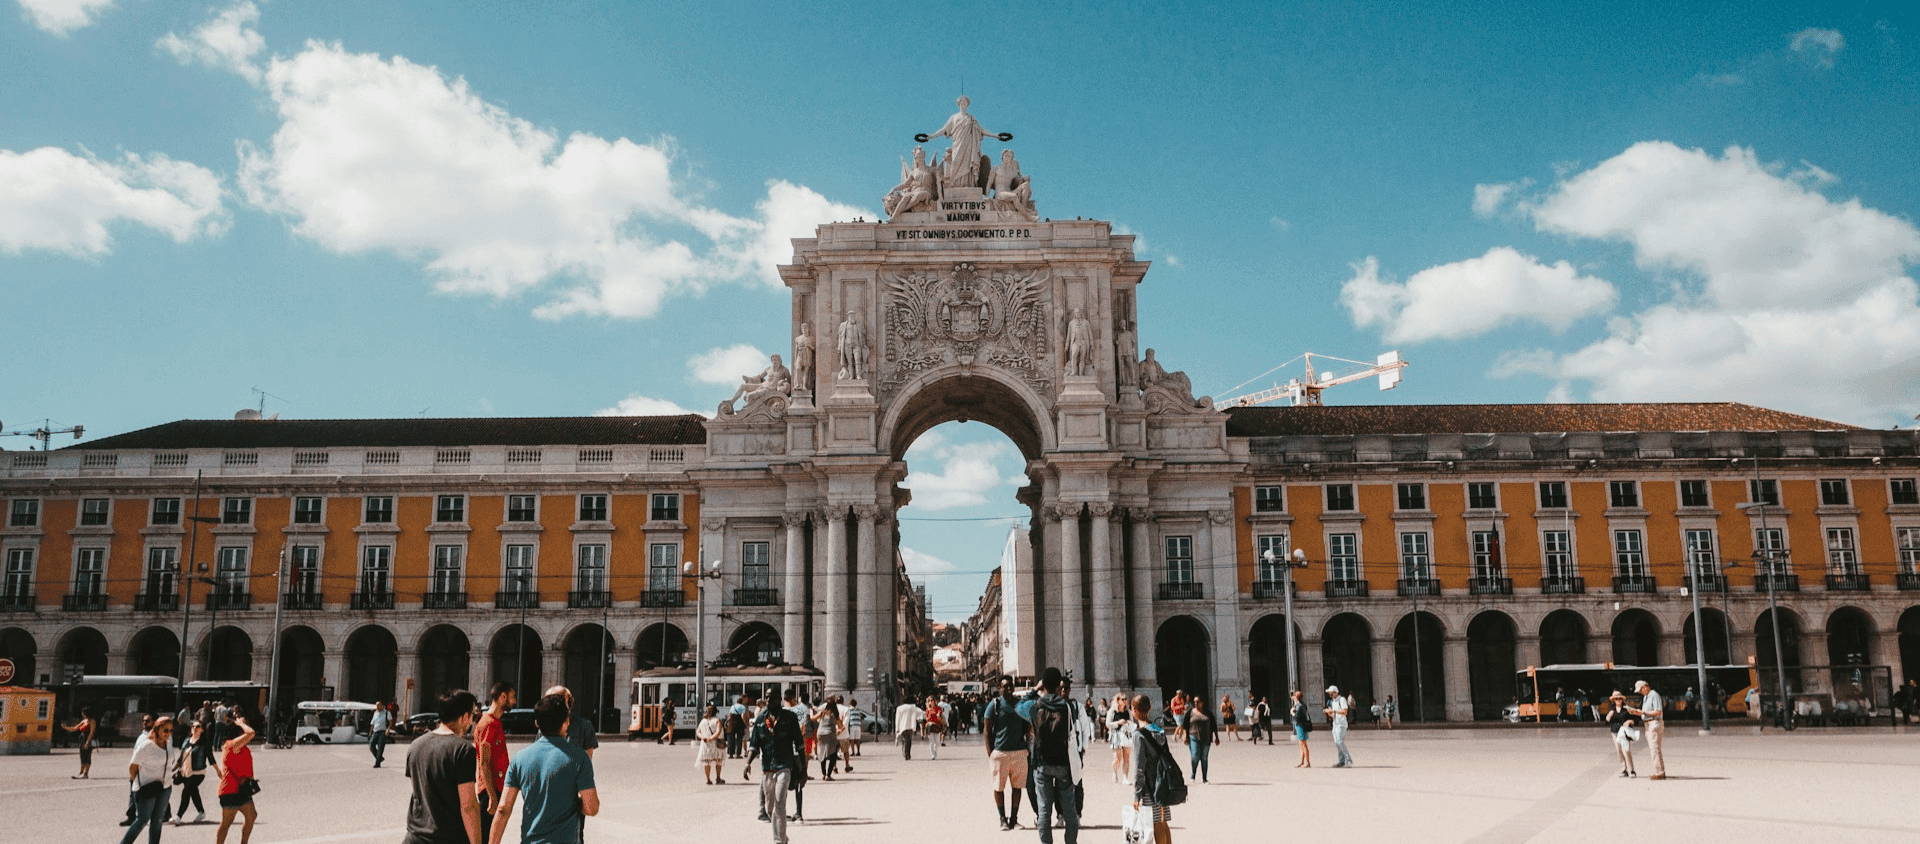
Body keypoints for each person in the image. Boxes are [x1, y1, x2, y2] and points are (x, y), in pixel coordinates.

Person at [487, 693, 598, 844]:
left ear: (537, 724)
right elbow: (592, 808)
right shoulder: (579, 758)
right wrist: (576, 805)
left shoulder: (519, 759)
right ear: (566, 722)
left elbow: (503, 809)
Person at [403, 690, 482, 844]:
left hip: (414, 837)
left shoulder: (415, 745)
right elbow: (469, 806)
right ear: (464, 717)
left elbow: (417, 789)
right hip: (448, 838)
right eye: (473, 715)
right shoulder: (463, 750)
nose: (472, 721)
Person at [1017, 668, 1078, 844]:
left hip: (1041, 763)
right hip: (1064, 762)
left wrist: (1035, 689)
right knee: (1069, 809)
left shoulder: (1034, 706)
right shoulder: (1068, 706)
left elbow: (1018, 706)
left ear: (1043, 684)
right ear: (1059, 685)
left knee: (1044, 810)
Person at [750, 688, 803, 843]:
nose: (768, 700)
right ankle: (783, 836)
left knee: (780, 803)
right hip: (767, 768)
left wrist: (804, 768)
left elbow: (799, 744)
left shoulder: (790, 718)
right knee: (770, 808)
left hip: (784, 767)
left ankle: (778, 840)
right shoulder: (761, 719)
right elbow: (754, 744)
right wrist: (747, 763)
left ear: (779, 699)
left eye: (771, 697)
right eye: (766, 697)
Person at [982, 675, 1029, 830]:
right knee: (998, 787)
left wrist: (1027, 747)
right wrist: (991, 753)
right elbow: (987, 731)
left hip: (1019, 752)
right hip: (1000, 753)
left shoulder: (1020, 704)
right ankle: (1002, 818)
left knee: (1017, 787)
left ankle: (1014, 819)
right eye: (1005, 686)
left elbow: (1027, 726)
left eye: (1011, 685)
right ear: (999, 687)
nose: (1009, 688)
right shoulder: (994, 705)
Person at [120, 716, 175, 844]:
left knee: (158, 821)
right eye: (165, 730)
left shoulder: (168, 744)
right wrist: (137, 783)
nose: (168, 733)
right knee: (142, 820)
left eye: (171, 730)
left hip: (165, 787)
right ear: (157, 729)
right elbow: (133, 766)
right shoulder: (147, 745)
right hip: (147, 787)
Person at [924, 96, 999, 189]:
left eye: (965, 103)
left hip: (969, 146)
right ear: (959, 104)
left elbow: (982, 130)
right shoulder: (954, 117)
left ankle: (968, 184)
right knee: (955, 162)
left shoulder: (971, 118)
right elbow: (944, 130)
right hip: (957, 145)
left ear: (967, 105)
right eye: (961, 103)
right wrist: (932, 136)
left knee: (968, 165)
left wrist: (995, 135)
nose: (963, 105)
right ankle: (955, 185)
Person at [1129, 694, 1173, 844]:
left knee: (1155, 824)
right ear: (1150, 708)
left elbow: (1139, 767)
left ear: (1134, 710)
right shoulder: (1158, 730)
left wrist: (1137, 794)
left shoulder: (1138, 734)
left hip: (1150, 786)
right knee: (1162, 822)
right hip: (1163, 782)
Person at [474, 682, 515, 844]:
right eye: (512, 697)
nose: (514, 701)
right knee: (486, 837)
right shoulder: (488, 724)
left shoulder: (495, 722)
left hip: (496, 787)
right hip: (490, 789)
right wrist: (492, 796)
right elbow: (484, 763)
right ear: (503, 696)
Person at [215, 708, 257, 844]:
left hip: (242, 789)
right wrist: (241, 723)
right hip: (230, 790)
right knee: (227, 822)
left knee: (251, 816)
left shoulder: (241, 747)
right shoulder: (232, 745)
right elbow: (251, 733)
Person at [172, 720, 213, 826]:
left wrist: (218, 771)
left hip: (198, 773)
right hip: (186, 772)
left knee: (186, 792)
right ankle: (201, 812)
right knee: (193, 792)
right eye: (193, 726)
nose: (194, 728)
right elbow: (181, 758)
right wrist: (172, 770)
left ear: (202, 729)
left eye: (198, 726)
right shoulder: (186, 740)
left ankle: (178, 816)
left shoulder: (205, 742)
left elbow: (211, 758)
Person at [1629, 680, 1666, 780]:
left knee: (1654, 749)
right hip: (1648, 724)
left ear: (1645, 687)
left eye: (1640, 690)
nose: (1640, 693)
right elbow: (1646, 712)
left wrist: (1643, 712)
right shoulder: (1646, 697)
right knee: (1654, 749)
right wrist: (1637, 713)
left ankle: (1659, 772)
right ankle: (1659, 770)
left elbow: (1658, 712)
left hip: (1654, 723)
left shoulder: (1654, 695)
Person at [1606, 691, 1641, 777]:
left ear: (1622, 699)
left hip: (1625, 733)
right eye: (1616, 699)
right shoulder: (1612, 710)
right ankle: (1623, 770)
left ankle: (1632, 770)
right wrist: (1608, 717)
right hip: (1615, 733)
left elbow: (1637, 719)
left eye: (1619, 698)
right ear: (1613, 700)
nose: (1618, 700)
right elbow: (1606, 723)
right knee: (1619, 751)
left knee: (1626, 751)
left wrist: (1630, 721)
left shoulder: (1627, 709)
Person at [1105, 692, 1134, 783]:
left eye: (1125, 699)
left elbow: (1132, 722)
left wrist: (1128, 723)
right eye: (1122, 699)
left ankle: (1125, 777)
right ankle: (1115, 772)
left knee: (1126, 757)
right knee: (1117, 758)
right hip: (1116, 736)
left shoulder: (1128, 711)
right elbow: (1108, 724)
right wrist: (1118, 723)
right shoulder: (1112, 711)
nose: (1125, 701)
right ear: (1118, 700)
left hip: (1126, 735)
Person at [811, 697, 842, 781]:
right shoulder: (835, 714)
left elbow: (813, 718)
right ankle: (828, 775)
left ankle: (824, 774)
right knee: (833, 754)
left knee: (822, 753)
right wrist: (840, 730)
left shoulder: (822, 712)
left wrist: (810, 711)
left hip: (820, 734)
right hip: (830, 734)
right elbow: (840, 726)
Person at [1184, 697, 1213, 783]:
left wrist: (1217, 737)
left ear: (1202, 703)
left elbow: (1213, 724)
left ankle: (1204, 778)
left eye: (1198, 702)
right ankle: (1193, 773)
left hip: (1206, 738)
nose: (1196, 703)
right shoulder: (1190, 712)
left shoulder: (1208, 713)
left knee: (1204, 758)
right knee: (1195, 756)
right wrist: (1185, 736)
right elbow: (1185, 725)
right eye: (1194, 702)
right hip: (1193, 737)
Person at [64, 706, 97, 778]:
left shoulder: (92, 721)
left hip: (87, 739)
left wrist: (87, 742)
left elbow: (92, 732)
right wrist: (65, 727)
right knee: (82, 756)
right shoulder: (84, 721)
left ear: (85, 713)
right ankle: (81, 772)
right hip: (82, 739)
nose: (82, 713)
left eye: (83, 712)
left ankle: (85, 773)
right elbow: (74, 728)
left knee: (87, 756)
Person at [1324, 686, 1353, 768]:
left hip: (1341, 724)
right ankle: (1341, 761)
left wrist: (1333, 711)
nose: (1330, 695)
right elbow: (1334, 715)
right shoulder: (1333, 701)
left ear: (1335, 692)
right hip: (1335, 724)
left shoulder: (1341, 699)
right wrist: (1328, 713)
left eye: (1331, 693)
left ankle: (1348, 760)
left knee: (1340, 742)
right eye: (1329, 693)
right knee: (1337, 743)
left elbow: (1344, 711)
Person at [1289, 691, 1313, 768]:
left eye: (1294, 696)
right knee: (1301, 744)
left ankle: (1307, 762)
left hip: (1300, 726)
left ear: (1296, 697)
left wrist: (1292, 713)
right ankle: (1302, 762)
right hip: (1303, 725)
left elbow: (1297, 717)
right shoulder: (1302, 704)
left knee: (1303, 744)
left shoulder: (1299, 706)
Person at [844, 698, 867, 765]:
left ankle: (853, 752)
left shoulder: (849, 710)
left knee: (852, 740)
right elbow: (862, 717)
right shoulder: (858, 710)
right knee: (858, 740)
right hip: (858, 725)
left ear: (850, 704)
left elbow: (847, 718)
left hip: (852, 725)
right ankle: (858, 751)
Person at [370, 700, 392, 768]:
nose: (377, 706)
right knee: (371, 746)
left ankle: (377, 763)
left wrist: (388, 729)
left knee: (380, 747)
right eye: (376, 705)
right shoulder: (375, 713)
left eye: (378, 705)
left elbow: (390, 722)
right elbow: (372, 723)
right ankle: (380, 758)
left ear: (382, 706)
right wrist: (370, 732)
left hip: (382, 732)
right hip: (375, 731)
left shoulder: (387, 712)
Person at [924, 694, 945, 759]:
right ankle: (932, 754)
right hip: (930, 727)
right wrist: (929, 721)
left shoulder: (938, 708)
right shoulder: (928, 709)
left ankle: (935, 751)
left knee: (937, 742)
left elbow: (940, 715)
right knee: (931, 741)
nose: (931, 702)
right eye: (929, 700)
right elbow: (927, 718)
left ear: (934, 701)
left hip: (937, 726)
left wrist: (939, 715)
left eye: (932, 700)